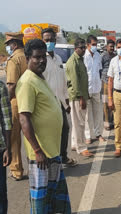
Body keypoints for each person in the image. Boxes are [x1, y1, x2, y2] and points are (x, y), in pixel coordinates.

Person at [16, 39, 71, 213]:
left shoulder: (40, 77)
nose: (41, 61)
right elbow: (24, 118)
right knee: (41, 202)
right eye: (37, 57)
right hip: (40, 155)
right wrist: (38, 151)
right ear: (27, 59)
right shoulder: (26, 82)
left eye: (43, 57)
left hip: (52, 152)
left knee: (54, 200)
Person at [41, 28, 77, 167]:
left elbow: (63, 81)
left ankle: (63, 157)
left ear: (56, 41)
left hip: (60, 102)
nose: (49, 42)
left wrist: (66, 101)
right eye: (46, 40)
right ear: (43, 41)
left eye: (51, 39)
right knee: (50, 133)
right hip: (46, 104)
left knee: (65, 129)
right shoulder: (41, 60)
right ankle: (51, 161)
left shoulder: (58, 58)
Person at [4, 32, 27, 181]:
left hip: (16, 102)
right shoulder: (28, 56)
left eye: (9, 45)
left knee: (14, 138)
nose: (8, 48)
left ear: (14, 44)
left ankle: (16, 169)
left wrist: (5, 102)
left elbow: (11, 85)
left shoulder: (13, 60)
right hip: (29, 100)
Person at [66, 38, 94, 157]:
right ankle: (81, 147)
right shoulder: (73, 62)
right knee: (79, 124)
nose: (83, 50)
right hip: (77, 97)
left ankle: (75, 143)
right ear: (75, 48)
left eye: (84, 47)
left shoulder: (80, 59)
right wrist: (82, 98)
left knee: (77, 122)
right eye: (81, 48)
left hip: (81, 95)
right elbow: (75, 82)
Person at [84, 35, 104, 144]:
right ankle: (88, 136)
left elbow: (99, 71)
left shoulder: (98, 56)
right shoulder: (84, 56)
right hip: (87, 89)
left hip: (96, 88)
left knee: (98, 113)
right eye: (93, 44)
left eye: (96, 44)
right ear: (88, 45)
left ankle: (98, 134)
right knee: (87, 114)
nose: (95, 47)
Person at [0, 81, 12, 214]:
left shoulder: (1, 87)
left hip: (0, 148)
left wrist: (9, 149)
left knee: (1, 191)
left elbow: (7, 120)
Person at [101, 39, 116, 130]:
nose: (111, 48)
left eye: (112, 47)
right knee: (106, 103)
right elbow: (100, 68)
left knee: (113, 103)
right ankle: (106, 123)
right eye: (110, 46)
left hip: (114, 83)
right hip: (105, 82)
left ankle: (112, 121)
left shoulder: (115, 56)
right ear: (107, 47)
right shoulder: (102, 56)